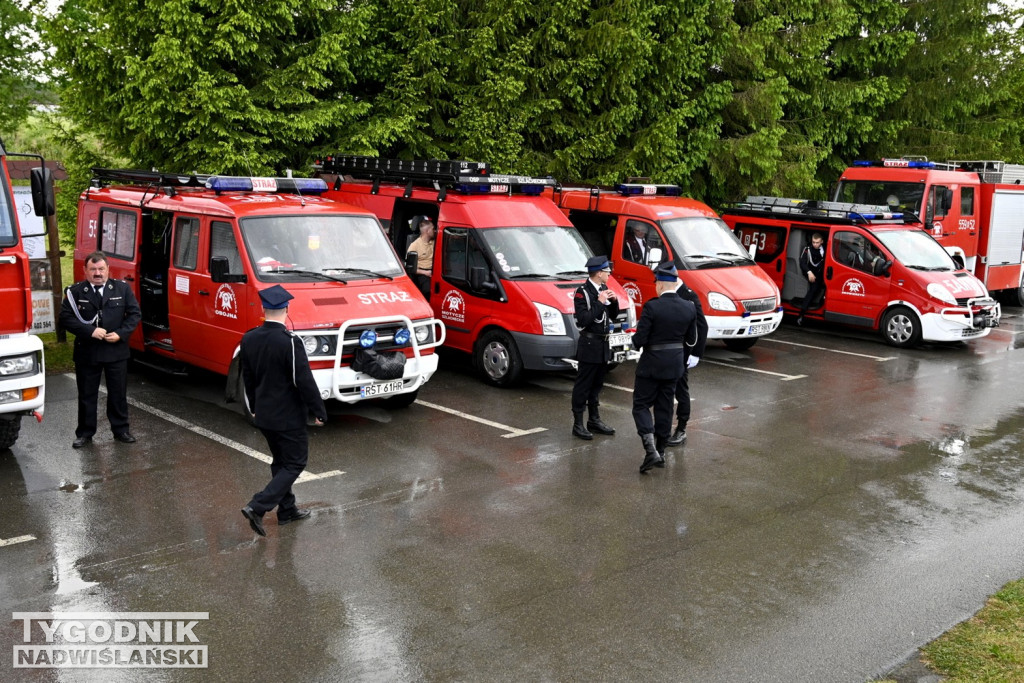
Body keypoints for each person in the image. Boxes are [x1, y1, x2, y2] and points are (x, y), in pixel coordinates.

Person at [240, 285, 328, 537]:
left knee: (281, 462)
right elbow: (304, 380)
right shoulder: (290, 342)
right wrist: (319, 410)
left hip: (265, 415)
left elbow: (249, 378)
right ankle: (257, 506)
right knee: (295, 462)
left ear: (263, 309)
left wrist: (255, 407)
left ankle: (287, 510)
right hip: (288, 416)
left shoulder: (249, 338)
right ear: (286, 309)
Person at [59, 251, 142, 448]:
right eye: (93, 269)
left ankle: (121, 430)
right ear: (85, 271)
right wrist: (90, 331)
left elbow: (134, 314)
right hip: (88, 351)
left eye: (101, 269)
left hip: (116, 350)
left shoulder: (121, 289)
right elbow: (66, 318)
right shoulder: (75, 292)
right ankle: (85, 433)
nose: (98, 273)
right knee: (87, 394)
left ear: (108, 270)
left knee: (118, 393)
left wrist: (121, 333)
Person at [631, 262, 699, 473]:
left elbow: (639, 340)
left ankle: (650, 449)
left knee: (641, 405)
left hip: (652, 362)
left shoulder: (652, 306)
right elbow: (691, 339)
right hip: (675, 363)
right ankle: (660, 451)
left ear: (660, 284)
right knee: (665, 406)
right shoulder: (689, 307)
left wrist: (632, 340)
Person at [571, 255, 620, 440]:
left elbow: (612, 316)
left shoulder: (604, 289)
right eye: (607, 271)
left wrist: (614, 302)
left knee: (597, 384)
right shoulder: (582, 292)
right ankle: (578, 423)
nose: (609, 274)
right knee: (583, 385)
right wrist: (599, 302)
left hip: (603, 344)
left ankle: (594, 419)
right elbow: (583, 320)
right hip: (590, 344)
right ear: (599, 273)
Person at [666, 274, 709, 446]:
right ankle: (664, 427)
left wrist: (696, 353)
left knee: (680, 391)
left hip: (683, 352)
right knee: (665, 389)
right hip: (668, 351)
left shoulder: (688, 295)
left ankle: (681, 428)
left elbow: (702, 325)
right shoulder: (669, 294)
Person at [797, 232, 826, 325]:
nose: (815, 244)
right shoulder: (807, 249)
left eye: (817, 242)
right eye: (813, 242)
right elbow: (802, 263)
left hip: (821, 273)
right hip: (810, 272)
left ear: (822, 242)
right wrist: (809, 273)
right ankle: (801, 314)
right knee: (813, 289)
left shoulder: (825, 249)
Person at [407, 215, 436, 299]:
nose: (435, 231)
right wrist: (425, 272)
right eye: (433, 229)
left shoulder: (434, 242)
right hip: (423, 274)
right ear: (427, 231)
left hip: (435, 271)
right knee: (428, 291)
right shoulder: (414, 246)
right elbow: (410, 268)